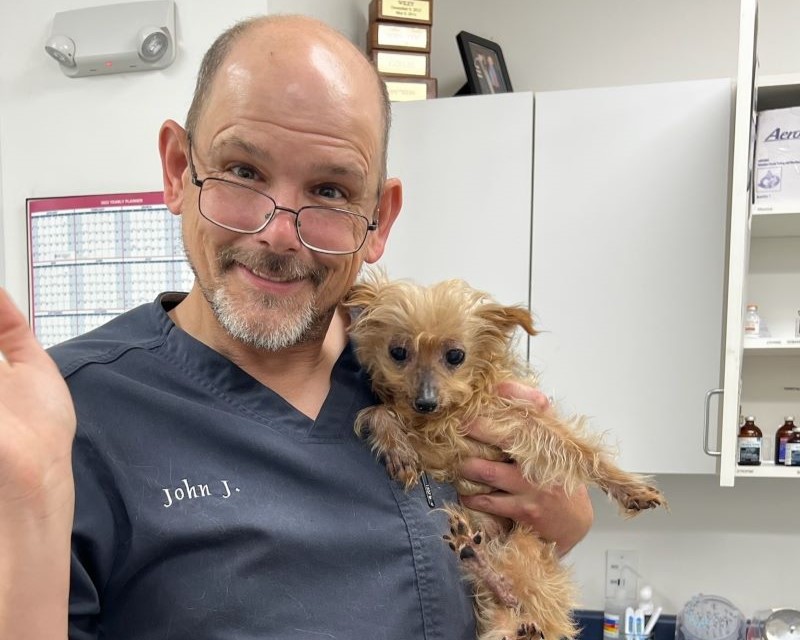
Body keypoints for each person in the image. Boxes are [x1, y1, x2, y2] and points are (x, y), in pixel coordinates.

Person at [0, 14, 593, 640]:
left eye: (332, 190)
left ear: (379, 219)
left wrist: (560, 520)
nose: (278, 233)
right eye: (243, 172)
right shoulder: (62, 421)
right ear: (178, 170)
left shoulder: (416, 374)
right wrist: (28, 505)